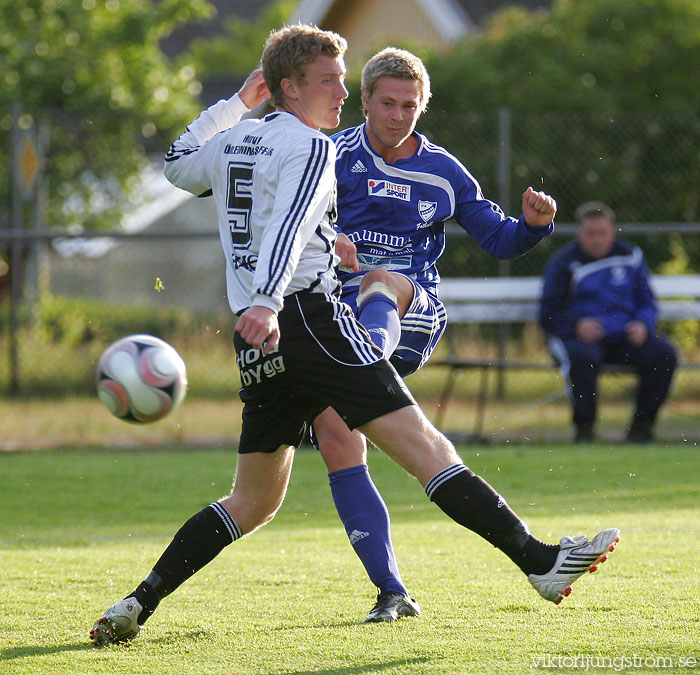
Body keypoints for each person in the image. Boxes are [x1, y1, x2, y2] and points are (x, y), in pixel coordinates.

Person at [90, 25, 620, 647]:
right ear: (290, 87)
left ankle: (137, 601)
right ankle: (540, 563)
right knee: (424, 447)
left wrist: (236, 103)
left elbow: (179, 166)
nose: (343, 91)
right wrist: (268, 298)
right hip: (309, 321)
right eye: (331, 80)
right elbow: (286, 227)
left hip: (259, 345)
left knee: (252, 501)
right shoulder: (317, 148)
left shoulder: (240, 138)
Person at [312, 47, 567, 623]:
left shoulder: (444, 172)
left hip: (410, 314)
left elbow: (499, 239)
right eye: (388, 103)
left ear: (422, 106)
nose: (399, 115)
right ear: (367, 99)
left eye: (410, 105)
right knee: (333, 435)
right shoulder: (328, 157)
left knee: (383, 279)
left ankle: (367, 364)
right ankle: (391, 591)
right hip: (339, 317)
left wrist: (532, 225)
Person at [539, 201, 677, 443]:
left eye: (602, 233)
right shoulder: (564, 263)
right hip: (583, 340)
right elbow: (549, 312)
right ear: (580, 234)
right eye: (590, 234)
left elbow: (647, 301)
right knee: (581, 358)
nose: (597, 240)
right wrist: (576, 325)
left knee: (665, 354)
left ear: (611, 232)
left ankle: (641, 429)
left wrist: (643, 324)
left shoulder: (631, 256)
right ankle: (585, 431)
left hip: (625, 337)